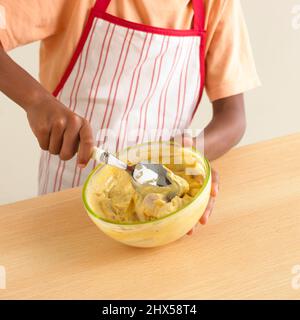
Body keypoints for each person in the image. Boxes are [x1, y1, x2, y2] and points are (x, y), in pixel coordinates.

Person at [0, 0, 260, 231]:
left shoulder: (217, 4)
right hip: (68, 197)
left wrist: (189, 156)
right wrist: (36, 100)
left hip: (155, 215)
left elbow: (233, 117)